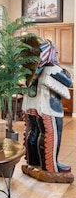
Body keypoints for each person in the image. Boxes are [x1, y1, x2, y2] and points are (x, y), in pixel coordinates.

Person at [22, 38, 72, 182]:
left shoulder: (34, 71)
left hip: (35, 106)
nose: (56, 54)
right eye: (55, 52)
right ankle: (50, 166)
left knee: (34, 132)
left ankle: (34, 161)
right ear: (49, 53)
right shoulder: (51, 68)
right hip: (49, 108)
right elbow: (69, 81)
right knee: (52, 135)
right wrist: (67, 74)